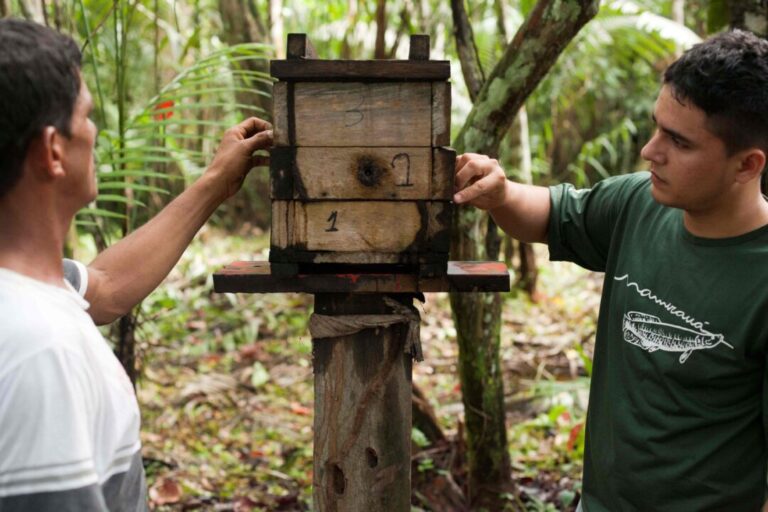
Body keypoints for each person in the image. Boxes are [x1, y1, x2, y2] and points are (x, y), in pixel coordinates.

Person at [455, 30, 768, 511]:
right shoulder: (638, 202)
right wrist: (500, 192)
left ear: (747, 166)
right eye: (656, 127)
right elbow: (547, 214)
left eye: (679, 142)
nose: (650, 150)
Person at [0, 19, 273, 510]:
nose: (95, 128)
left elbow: (105, 286)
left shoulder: (33, 291)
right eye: (85, 115)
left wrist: (214, 181)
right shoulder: (40, 352)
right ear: (52, 150)